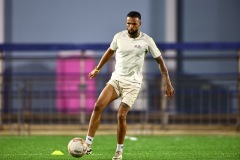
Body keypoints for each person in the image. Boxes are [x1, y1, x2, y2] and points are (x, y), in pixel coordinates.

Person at [85, 11, 175, 160]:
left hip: (132, 84)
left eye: (134, 23)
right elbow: (109, 51)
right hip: (116, 80)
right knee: (97, 106)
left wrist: (168, 83)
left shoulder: (147, 40)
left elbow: (160, 61)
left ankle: (119, 151)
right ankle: (88, 144)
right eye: (128, 23)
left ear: (139, 24)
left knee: (121, 115)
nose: (130, 26)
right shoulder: (119, 37)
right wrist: (97, 68)